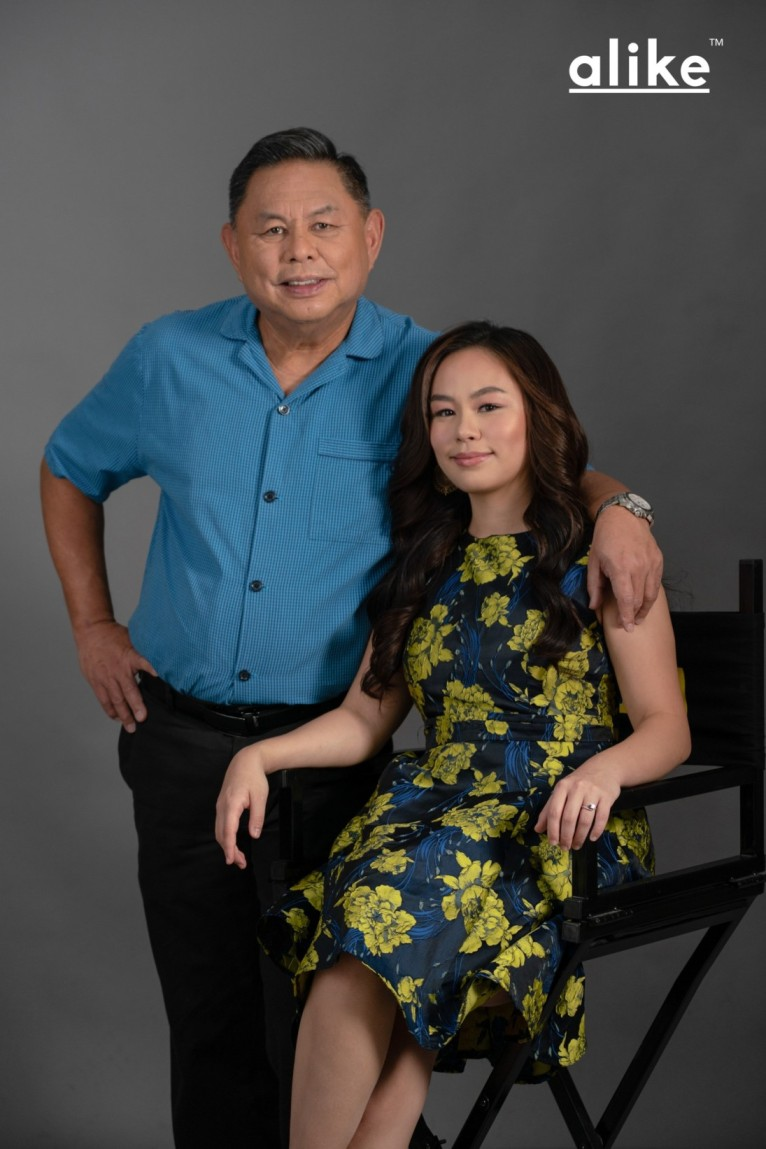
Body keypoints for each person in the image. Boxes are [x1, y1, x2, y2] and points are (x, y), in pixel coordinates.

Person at [40, 129, 662, 1149]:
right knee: (209, 1020)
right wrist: (93, 624)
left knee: (329, 1009)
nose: (299, 252)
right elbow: (69, 465)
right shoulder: (167, 357)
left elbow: (536, 449)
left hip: (340, 754)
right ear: (232, 243)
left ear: (370, 237)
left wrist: (622, 507)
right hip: (182, 740)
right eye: (271, 229)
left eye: (324, 225)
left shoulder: (426, 373)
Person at [215, 321, 690, 1149]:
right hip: (433, 817)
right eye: (443, 411)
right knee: (365, 933)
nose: (464, 428)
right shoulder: (424, 563)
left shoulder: (600, 554)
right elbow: (366, 718)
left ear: (537, 416)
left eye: (488, 405)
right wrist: (257, 753)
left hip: (558, 823)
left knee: (377, 916)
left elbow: (666, 727)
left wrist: (603, 772)